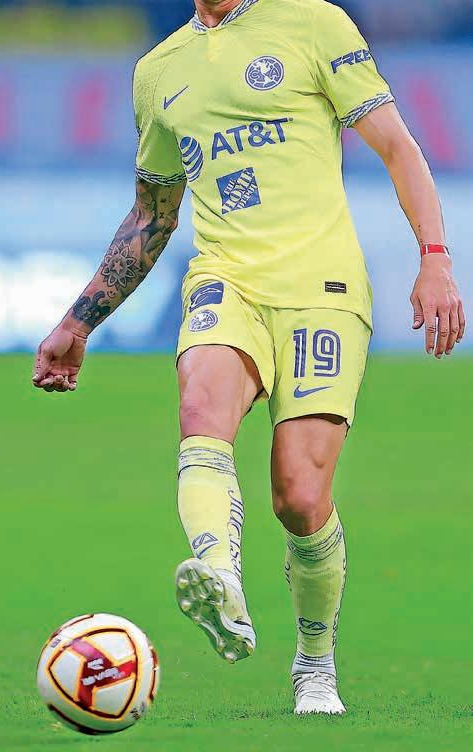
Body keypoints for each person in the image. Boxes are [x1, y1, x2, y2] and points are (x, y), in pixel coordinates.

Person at [32, 0, 466, 715]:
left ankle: (314, 662)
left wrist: (435, 258)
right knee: (201, 407)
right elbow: (152, 214)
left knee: (299, 498)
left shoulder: (314, 23)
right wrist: (80, 321)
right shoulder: (157, 71)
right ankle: (218, 575)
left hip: (321, 289)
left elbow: (396, 146)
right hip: (224, 279)